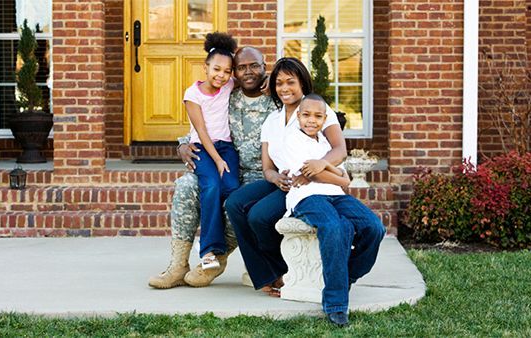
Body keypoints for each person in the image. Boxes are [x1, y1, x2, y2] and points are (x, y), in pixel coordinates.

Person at [148, 47, 276, 288]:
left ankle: (217, 257)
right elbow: (204, 123)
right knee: (186, 185)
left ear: (264, 66)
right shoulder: (229, 93)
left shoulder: (276, 97)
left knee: (234, 200)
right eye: (241, 68)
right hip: (225, 163)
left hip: (261, 175)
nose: (248, 72)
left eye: (255, 66)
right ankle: (178, 264)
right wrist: (183, 146)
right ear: (235, 73)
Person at [224, 57, 347, 297]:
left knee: (259, 216)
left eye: (290, 82)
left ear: (302, 83)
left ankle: (282, 271)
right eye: (279, 83)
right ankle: (264, 273)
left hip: (310, 184)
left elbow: (340, 150)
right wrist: (275, 179)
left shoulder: (318, 112)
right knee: (235, 203)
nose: (284, 88)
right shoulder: (272, 119)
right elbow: (267, 167)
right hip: (283, 182)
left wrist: (317, 166)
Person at [282, 93, 386, 326]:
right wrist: (332, 173)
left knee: (374, 227)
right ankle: (336, 304)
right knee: (335, 227)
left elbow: (340, 176)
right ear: (298, 116)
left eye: (318, 116)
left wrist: (325, 165)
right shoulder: (292, 139)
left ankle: (345, 275)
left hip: (336, 196)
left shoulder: (325, 142)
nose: (312, 120)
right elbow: (326, 176)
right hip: (308, 198)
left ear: (325, 119)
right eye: (306, 115)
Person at [183, 32, 240, 270]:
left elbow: (253, 82)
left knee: (231, 188)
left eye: (227, 72)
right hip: (203, 150)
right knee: (211, 187)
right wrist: (216, 160)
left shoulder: (229, 86)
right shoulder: (192, 94)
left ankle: (222, 241)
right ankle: (208, 250)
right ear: (205, 67)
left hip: (226, 147)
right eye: (216, 69)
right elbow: (201, 130)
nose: (221, 75)